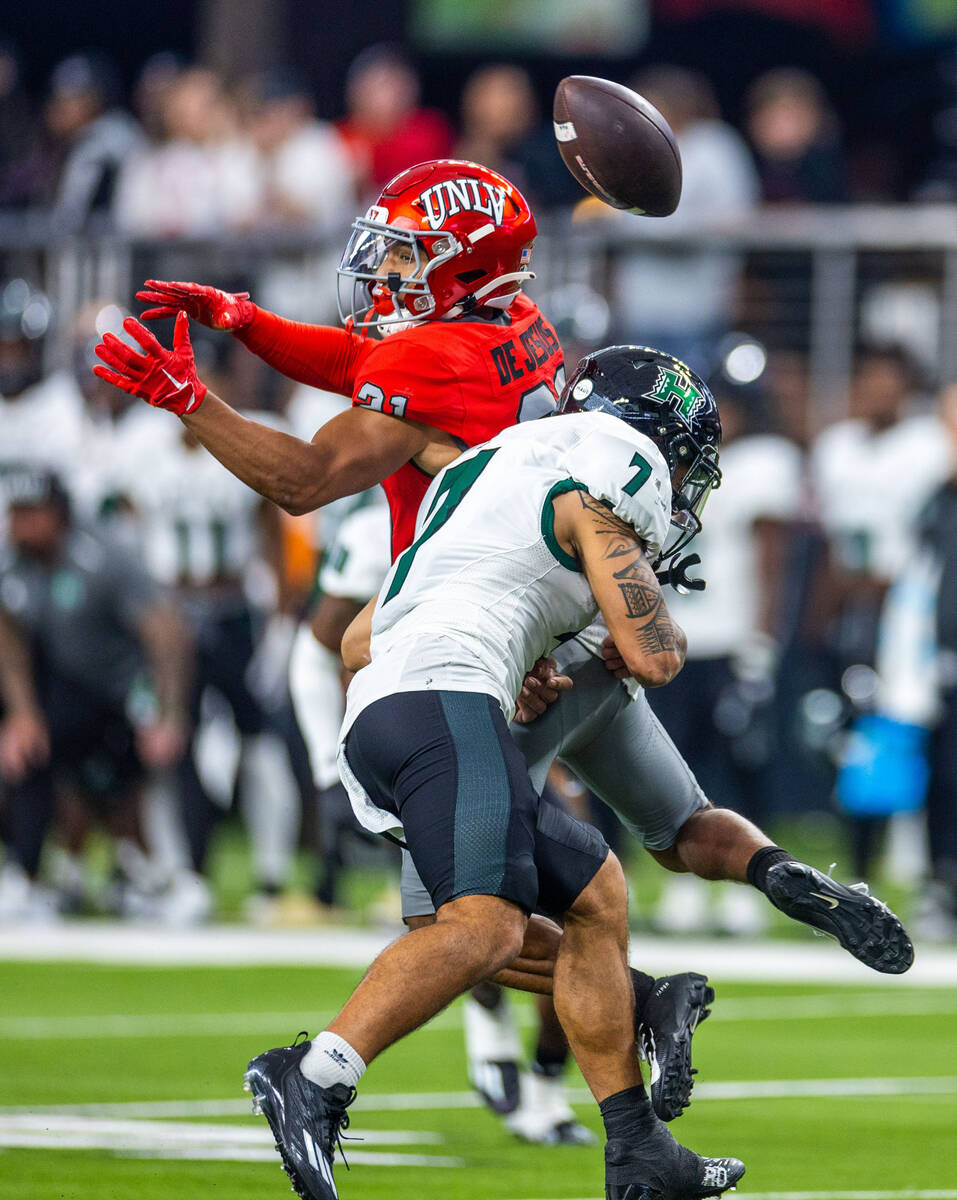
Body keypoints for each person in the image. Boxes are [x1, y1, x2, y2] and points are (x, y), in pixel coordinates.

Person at [94, 160, 912, 1111]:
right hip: (563, 609)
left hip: (465, 633)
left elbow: (305, 479)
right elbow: (368, 361)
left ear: (462, 267)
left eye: (409, 255)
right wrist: (246, 323)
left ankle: (579, 1023)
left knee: (451, 910)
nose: (387, 274)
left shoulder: (426, 361)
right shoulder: (523, 329)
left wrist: (191, 400)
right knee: (656, 844)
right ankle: (742, 925)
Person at [243, 352, 746, 1200]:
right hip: (442, 700)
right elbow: (652, 659)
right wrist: (619, 590)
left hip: (402, 703)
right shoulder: (613, 472)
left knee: (596, 897)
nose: (682, 482)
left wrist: (513, 658)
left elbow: (357, 642)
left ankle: (638, 1151)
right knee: (483, 929)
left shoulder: (489, 466)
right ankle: (315, 1074)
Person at [0, 467, 189, 920]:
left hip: (124, 692)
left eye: (32, 513)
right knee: (29, 750)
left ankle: (155, 871)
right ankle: (29, 872)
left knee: (137, 770)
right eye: (15, 514)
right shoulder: (11, 563)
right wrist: (21, 713)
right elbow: (7, 635)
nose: (21, 526)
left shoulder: (104, 556)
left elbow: (166, 634)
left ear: (59, 513)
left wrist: (170, 712)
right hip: (57, 693)